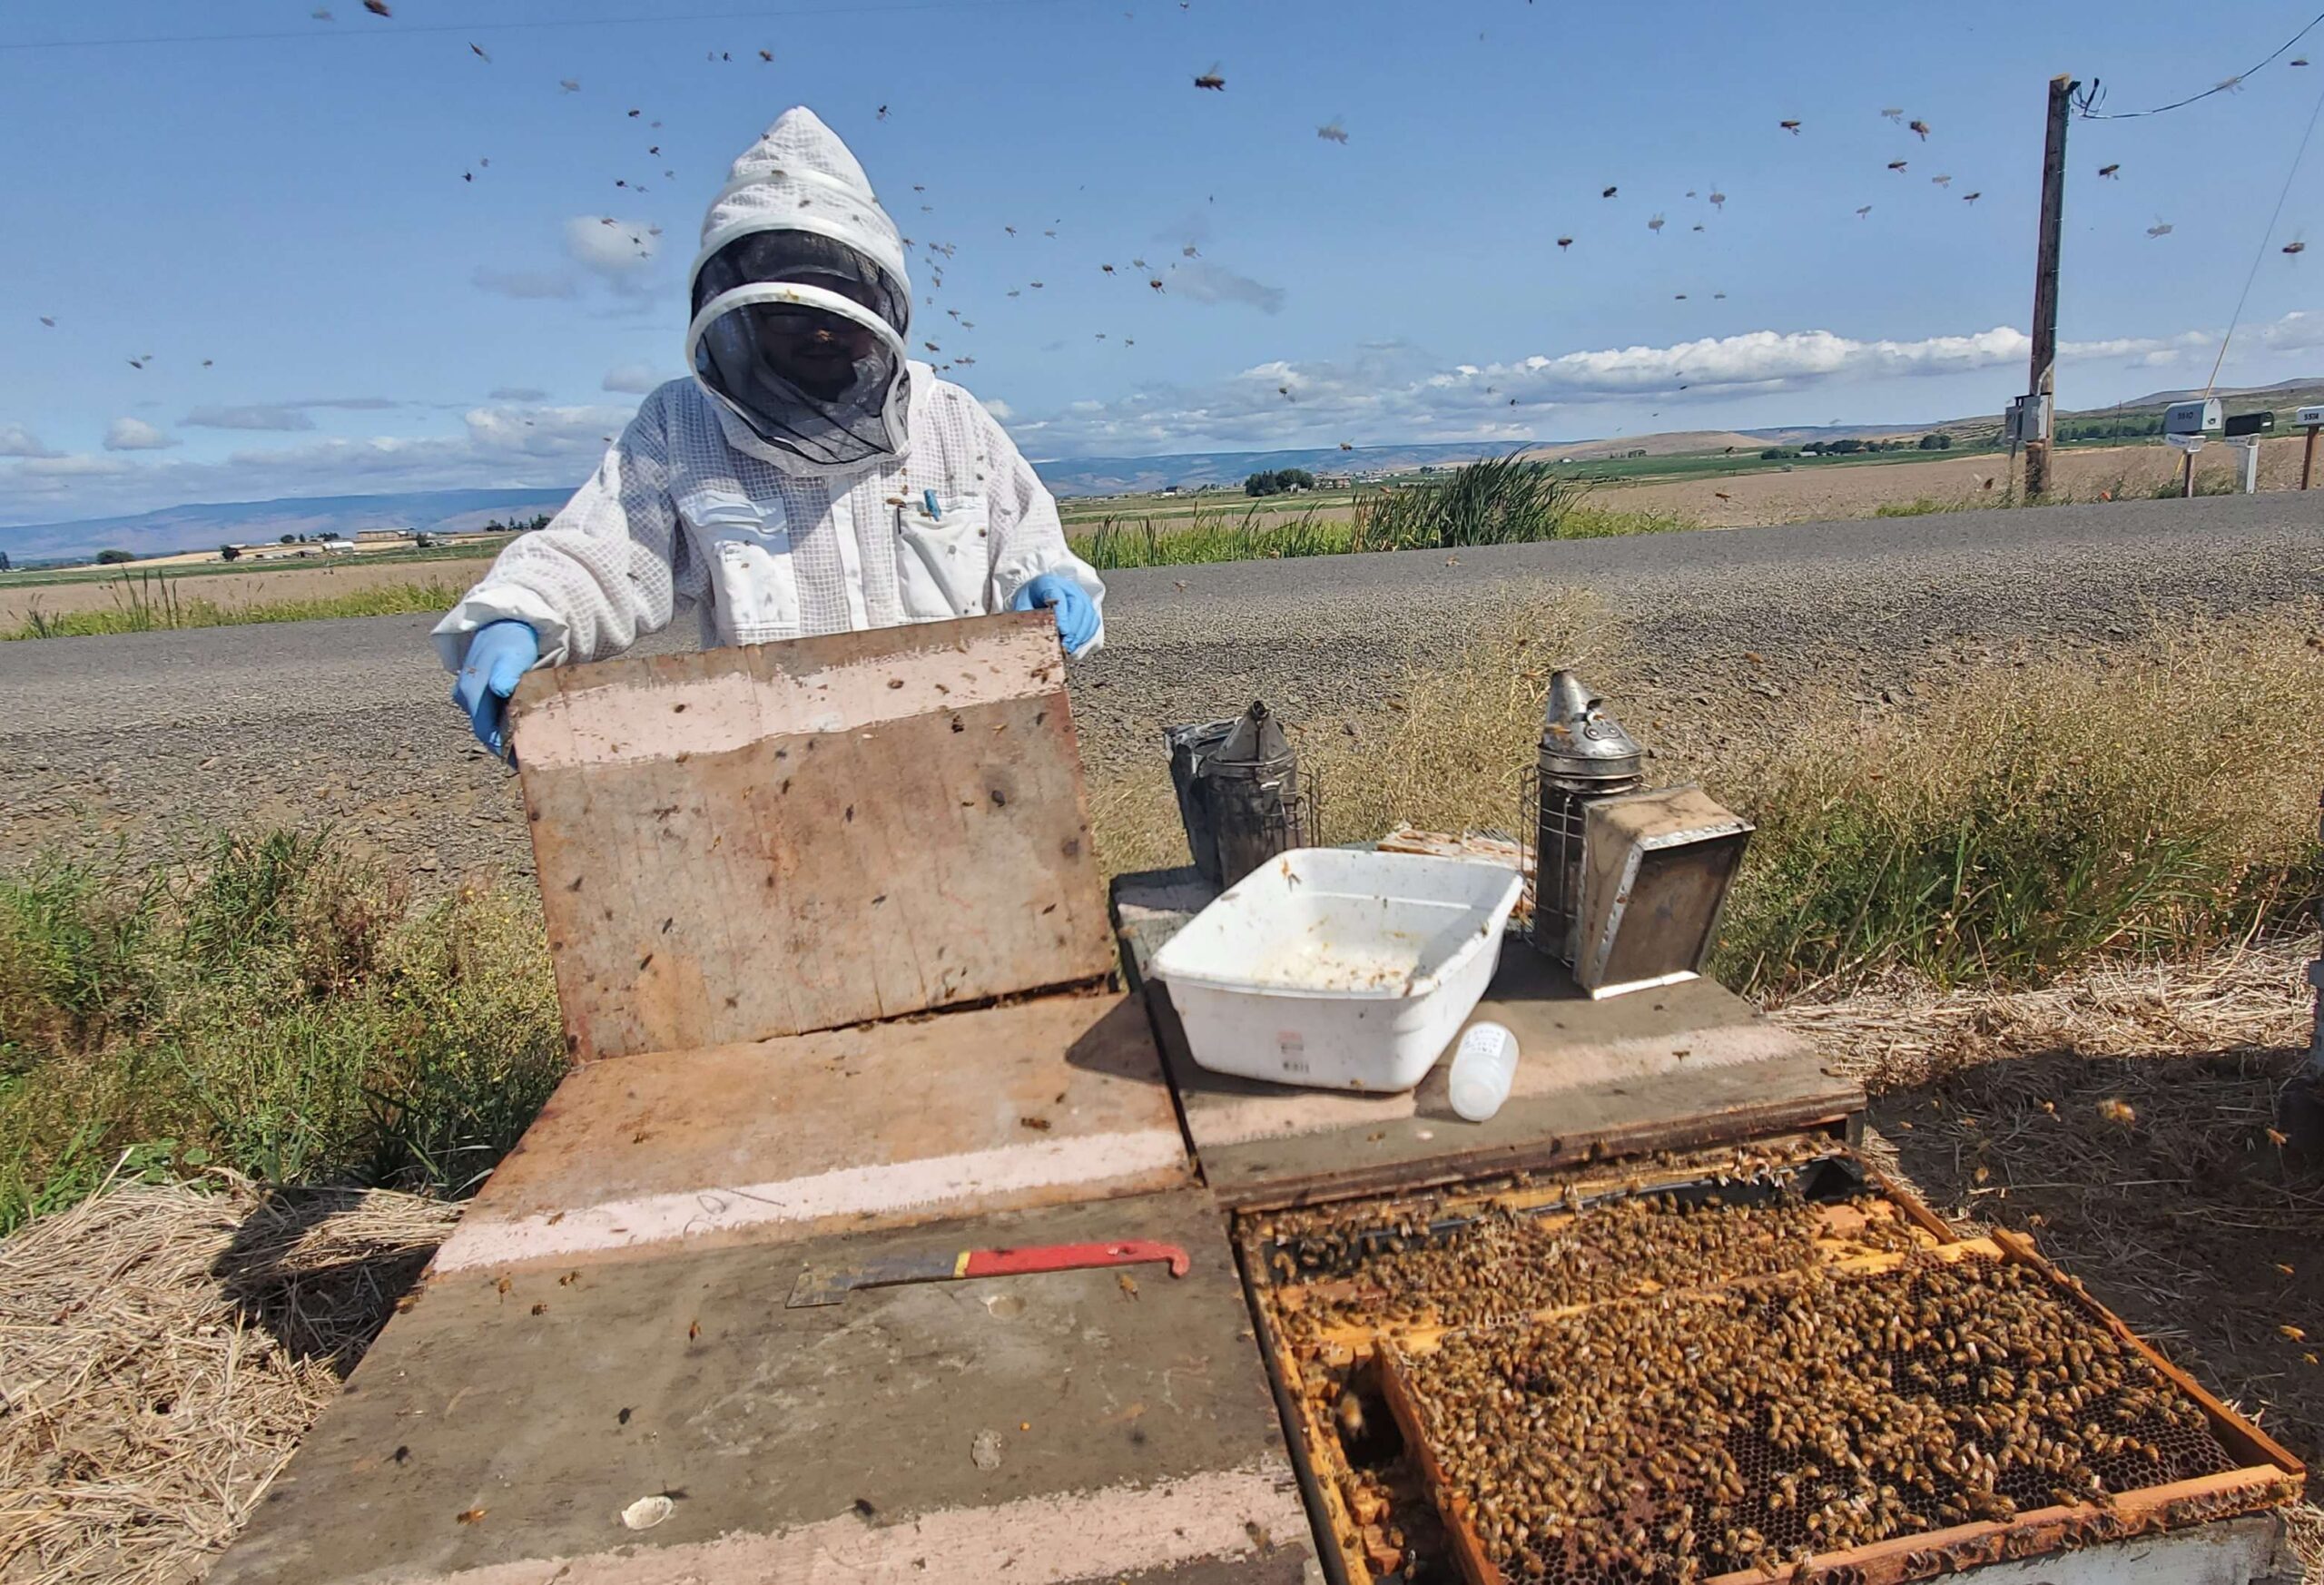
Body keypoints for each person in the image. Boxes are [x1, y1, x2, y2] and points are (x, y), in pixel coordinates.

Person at [436, 106, 1104, 753]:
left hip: (962, 749)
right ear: (741, 311)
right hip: (771, 769)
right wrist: (521, 617)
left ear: (878, 305)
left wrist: (1044, 582)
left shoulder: (950, 419)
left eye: (838, 305)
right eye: (791, 308)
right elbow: (601, 556)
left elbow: (1028, 538)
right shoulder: (681, 427)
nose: (820, 327)